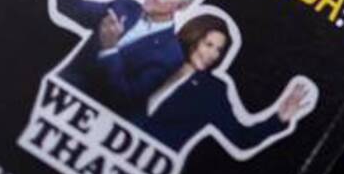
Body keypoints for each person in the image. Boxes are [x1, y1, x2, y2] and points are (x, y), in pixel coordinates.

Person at [50, 0, 205, 113]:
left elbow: (125, 99)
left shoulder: (171, 55)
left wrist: (110, 50)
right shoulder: (124, 5)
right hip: (57, 93)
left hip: (92, 119)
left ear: (180, 6)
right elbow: (71, 8)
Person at [129, 13, 317, 154]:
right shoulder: (160, 58)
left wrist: (279, 119)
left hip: (148, 167)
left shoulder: (213, 91)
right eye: (208, 45)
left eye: (219, 50)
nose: (213, 54)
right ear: (193, 38)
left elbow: (241, 138)